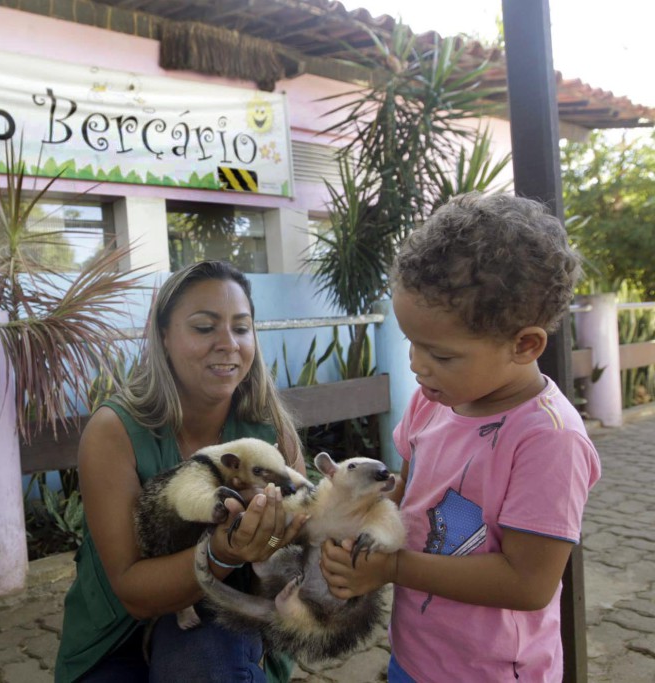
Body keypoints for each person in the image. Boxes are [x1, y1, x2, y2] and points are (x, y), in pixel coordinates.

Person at [319, 193, 602, 682]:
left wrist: (390, 568)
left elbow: (528, 582)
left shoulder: (549, 441)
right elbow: (404, 495)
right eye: (412, 341)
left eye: (441, 354)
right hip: (416, 654)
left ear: (524, 344)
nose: (415, 363)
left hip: (492, 672)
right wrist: (354, 532)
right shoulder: (434, 399)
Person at [54, 260, 308, 682]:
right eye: (205, 327)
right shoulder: (114, 432)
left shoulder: (268, 431)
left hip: (222, 613)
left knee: (207, 661)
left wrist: (273, 536)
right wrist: (222, 552)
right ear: (165, 337)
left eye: (241, 328)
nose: (228, 343)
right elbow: (133, 593)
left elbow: (294, 538)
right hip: (117, 629)